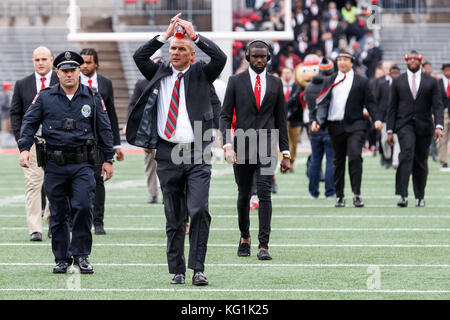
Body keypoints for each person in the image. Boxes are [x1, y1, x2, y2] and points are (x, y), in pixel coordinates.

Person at [126, 13, 226, 286]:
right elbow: (139, 56)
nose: (176, 52)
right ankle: (178, 270)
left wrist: (194, 35)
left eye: (182, 49)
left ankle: (198, 269)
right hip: (167, 152)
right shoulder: (159, 71)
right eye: (173, 48)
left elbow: (220, 59)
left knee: (199, 209)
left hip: (197, 151)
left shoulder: (201, 74)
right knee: (174, 216)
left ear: (191, 55)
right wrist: (166, 34)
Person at [18, 51, 114, 273]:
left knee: (82, 206)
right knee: (59, 212)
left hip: (83, 164)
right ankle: (61, 258)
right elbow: (29, 123)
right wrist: (24, 149)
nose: (69, 74)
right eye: (65, 71)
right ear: (57, 73)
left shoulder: (92, 96)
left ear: (79, 71)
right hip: (55, 164)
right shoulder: (44, 97)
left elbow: (105, 129)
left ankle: (81, 255)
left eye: (73, 70)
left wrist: (108, 159)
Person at [220, 40, 290, 261]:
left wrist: (286, 153)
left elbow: (281, 120)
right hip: (241, 145)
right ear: (247, 57)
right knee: (243, 194)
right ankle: (244, 238)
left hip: (268, 146)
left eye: (263, 56)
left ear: (268, 58)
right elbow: (224, 116)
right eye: (255, 56)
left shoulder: (276, 83)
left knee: (264, 193)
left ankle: (264, 244)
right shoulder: (234, 81)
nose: (259, 60)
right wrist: (227, 145)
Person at [311, 50, 382, 207]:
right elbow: (321, 102)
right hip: (334, 125)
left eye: (345, 59)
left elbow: (370, 102)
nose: (342, 62)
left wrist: (376, 118)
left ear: (352, 62)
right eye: (339, 59)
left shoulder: (361, 81)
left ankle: (356, 194)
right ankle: (340, 196)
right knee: (338, 161)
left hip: (355, 124)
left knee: (355, 156)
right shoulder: (329, 79)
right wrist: (317, 121)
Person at [9, 46, 57, 241]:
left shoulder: (61, 80)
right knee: (33, 184)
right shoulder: (22, 84)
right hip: (32, 142)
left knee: (55, 183)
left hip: (56, 142)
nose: (41, 62)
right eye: (37, 59)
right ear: (33, 61)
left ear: (52, 60)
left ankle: (53, 222)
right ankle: (35, 229)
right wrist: (22, 143)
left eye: (44, 59)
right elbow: (15, 113)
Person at [387, 51, 443, 207]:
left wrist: (438, 125)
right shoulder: (397, 81)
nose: (412, 61)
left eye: (415, 59)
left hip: (424, 126)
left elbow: (438, 106)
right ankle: (403, 195)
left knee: (421, 161)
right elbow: (392, 107)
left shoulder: (431, 81)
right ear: (406, 61)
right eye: (409, 59)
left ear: (420, 61)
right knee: (406, 154)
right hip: (404, 125)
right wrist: (389, 130)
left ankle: (420, 196)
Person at [79, 48, 123, 235]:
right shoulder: (71, 81)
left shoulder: (105, 83)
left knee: (98, 181)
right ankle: (75, 220)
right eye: (82, 62)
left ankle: (98, 222)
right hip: (77, 140)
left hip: (98, 142)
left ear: (96, 63)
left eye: (89, 62)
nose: (85, 66)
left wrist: (116, 144)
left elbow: (111, 115)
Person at [304, 57, 336, 200]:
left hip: (314, 126)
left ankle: (313, 192)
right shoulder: (333, 85)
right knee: (330, 160)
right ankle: (330, 192)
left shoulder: (309, 86)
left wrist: (313, 122)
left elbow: (311, 109)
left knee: (315, 161)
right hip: (329, 127)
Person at [375, 64, 401, 169]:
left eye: (397, 73)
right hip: (384, 117)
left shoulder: (403, 84)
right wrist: (377, 117)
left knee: (397, 140)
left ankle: (395, 161)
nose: (395, 75)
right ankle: (387, 157)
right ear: (389, 73)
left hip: (399, 117)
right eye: (393, 73)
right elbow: (376, 100)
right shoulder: (382, 84)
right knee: (384, 140)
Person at [437, 63, 450, 168]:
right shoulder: (438, 83)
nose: (448, 72)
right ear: (443, 71)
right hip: (443, 113)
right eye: (446, 70)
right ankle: (443, 160)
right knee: (443, 137)